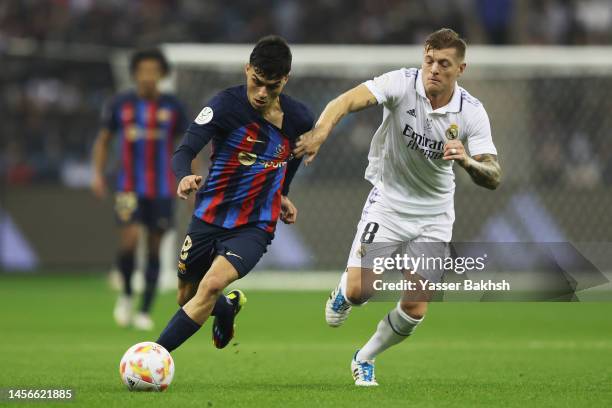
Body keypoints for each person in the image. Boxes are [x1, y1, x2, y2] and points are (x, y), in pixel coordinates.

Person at [294, 28, 502, 386]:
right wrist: (321, 132)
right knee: (362, 292)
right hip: (388, 202)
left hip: (435, 215)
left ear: (460, 69)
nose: (434, 69)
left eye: (444, 64)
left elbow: (493, 175)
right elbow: (344, 101)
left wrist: (467, 162)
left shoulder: (471, 112)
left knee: (416, 307)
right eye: (430, 60)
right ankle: (345, 292)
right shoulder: (401, 84)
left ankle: (365, 357)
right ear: (424, 55)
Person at [155, 35, 314, 352]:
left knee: (211, 284)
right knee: (187, 295)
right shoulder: (224, 105)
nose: (262, 93)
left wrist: (282, 193)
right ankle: (226, 309)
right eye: (257, 82)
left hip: (255, 224)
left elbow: (292, 158)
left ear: (285, 80)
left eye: (272, 86)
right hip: (209, 216)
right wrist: (184, 174)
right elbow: (184, 149)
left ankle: (151, 355)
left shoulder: (300, 119)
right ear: (247, 70)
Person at [92, 48, 190, 330]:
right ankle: (125, 293)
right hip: (127, 188)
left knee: (156, 249)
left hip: (162, 189)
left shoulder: (173, 106)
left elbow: (188, 145)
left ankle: (145, 309)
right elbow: (103, 140)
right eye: (143, 71)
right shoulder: (121, 104)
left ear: (162, 74)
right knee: (130, 240)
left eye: (154, 71)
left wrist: (191, 177)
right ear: (135, 74)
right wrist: (97, 174)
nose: (148, 76)